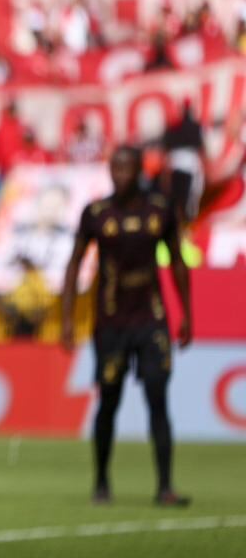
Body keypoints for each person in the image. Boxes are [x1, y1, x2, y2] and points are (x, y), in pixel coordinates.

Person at [60, 146, 191, 508]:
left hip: (152, 320)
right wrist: (68, 318)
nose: (121, 174)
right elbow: (73, 265)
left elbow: (178, 262)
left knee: (158, 400)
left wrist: (187, 314)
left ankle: (165, 486)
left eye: (128, 168)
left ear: (138, 172)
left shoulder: (160, 210)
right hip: (111, 323)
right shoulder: (97, 213)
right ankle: (101, 481)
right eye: (115, 168)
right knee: (109, 401)